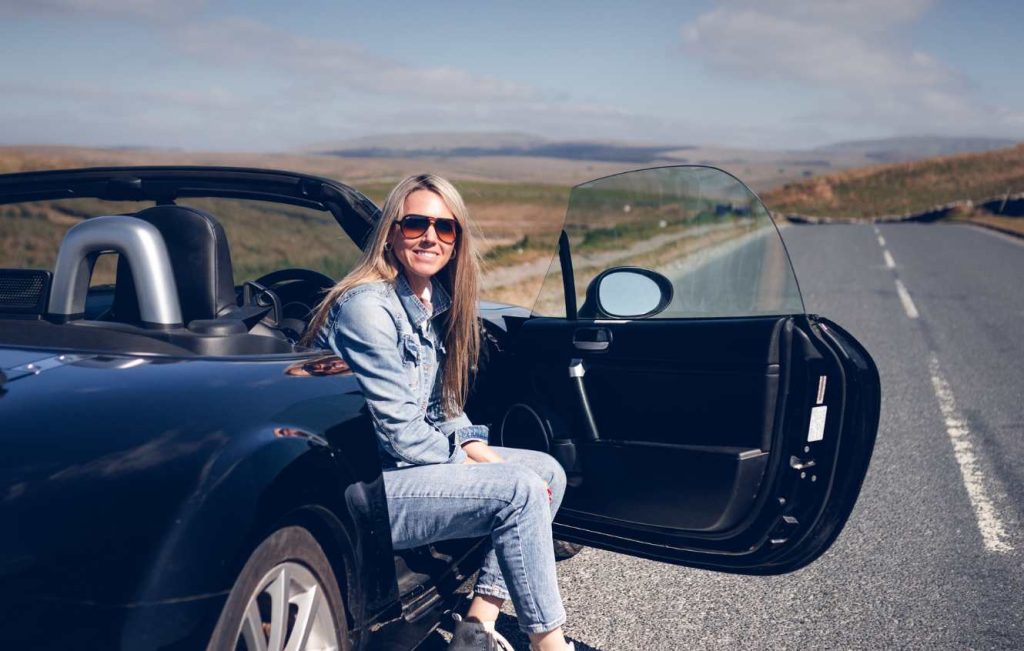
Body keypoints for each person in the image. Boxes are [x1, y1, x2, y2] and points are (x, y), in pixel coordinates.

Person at [306, 174, 573, 651]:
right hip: (364, 491)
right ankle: (549, 644)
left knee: (545, 471)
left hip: (402, 471)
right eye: (416, 224)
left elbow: (441, 405)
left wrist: (474, 445)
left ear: (455, 242)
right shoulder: (367, 309)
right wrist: (471, 460)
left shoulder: (427, 301)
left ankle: (476, 629)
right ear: (390, 233)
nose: (430, 237)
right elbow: (400, 435)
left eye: (444, 227)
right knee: (518, 489)